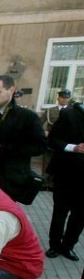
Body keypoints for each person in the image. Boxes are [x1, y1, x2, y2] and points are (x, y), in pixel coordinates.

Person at [0, 74, 46, 203]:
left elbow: (40, 146)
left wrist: (3, 149)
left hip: (10, 180)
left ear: (11, 90)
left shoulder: (27, 117)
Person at [45, 101, 84, 261]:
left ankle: (68, 247)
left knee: (80, 216)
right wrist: (73, 147)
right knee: (60, 212)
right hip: (66, 174)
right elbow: (53, 139)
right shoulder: (69, 113)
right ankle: (54, 245)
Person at [40, 89, 73, 189]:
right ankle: (44, 183)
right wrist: (43, 132)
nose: (64, 100)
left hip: (65, 141)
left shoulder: (72, 111)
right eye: (62, 97)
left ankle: (53, 184)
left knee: (61, 162)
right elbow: (38, 123)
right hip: (52, 140)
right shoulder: (50, 110)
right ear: (58, 98)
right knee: (48, 160)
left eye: (67, 98)